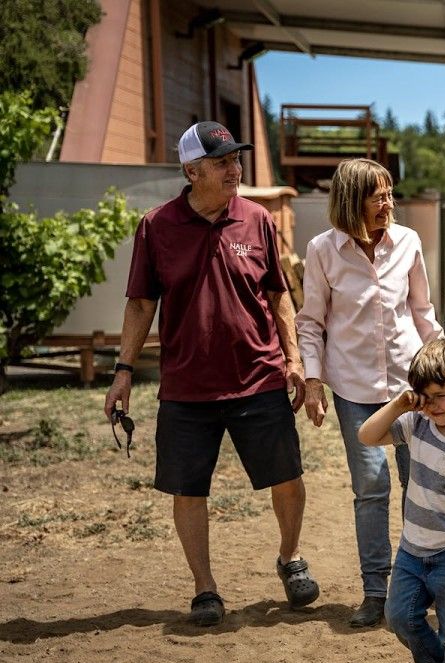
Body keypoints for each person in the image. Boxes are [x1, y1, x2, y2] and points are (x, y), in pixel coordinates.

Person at [102, 121, 318, 627]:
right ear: (191, 171)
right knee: (188, 487)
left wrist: (294, 359)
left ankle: (290, 556)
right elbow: (140, 304)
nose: (234, 170)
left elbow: (278, 296)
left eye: (236, 160)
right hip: (186, 385)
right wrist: (123, 371)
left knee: (287, 476)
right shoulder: (157, 227)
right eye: (222, 163)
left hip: (258, 375)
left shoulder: (258, 219)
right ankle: (205, 588)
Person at [295, 158, 442, 628]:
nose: (388, 204)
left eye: (390, 194)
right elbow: (311, 322)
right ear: (351, 201)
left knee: (419, 488)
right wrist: (314, 381)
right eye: (378, 196)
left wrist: (444, 371)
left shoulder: (408, 243)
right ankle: (376, 591)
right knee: (371, 488)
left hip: (410, 386)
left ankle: (415, 585)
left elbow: (422, 311)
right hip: (354, 390)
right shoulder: (322, 251)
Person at [357, 338, 445, 663]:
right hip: (411, 553)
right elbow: (367, 436)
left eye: (442, 395)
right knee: (399, 618)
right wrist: (399, 405)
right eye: (426, 397)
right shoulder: (417, 423)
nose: (434, 406)